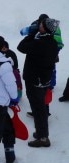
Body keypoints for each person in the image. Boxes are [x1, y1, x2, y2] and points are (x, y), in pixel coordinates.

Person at [17, 18, 59, 148]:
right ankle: (41, 133)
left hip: (35, 80)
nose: (38, 25)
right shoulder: (52, 42)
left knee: (38, 109)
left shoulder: (40, 43)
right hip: (43, 80)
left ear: (45, 28)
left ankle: (43, 138)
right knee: (40, 109)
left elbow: (21, 47)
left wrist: (30, 34)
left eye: (41, 24)